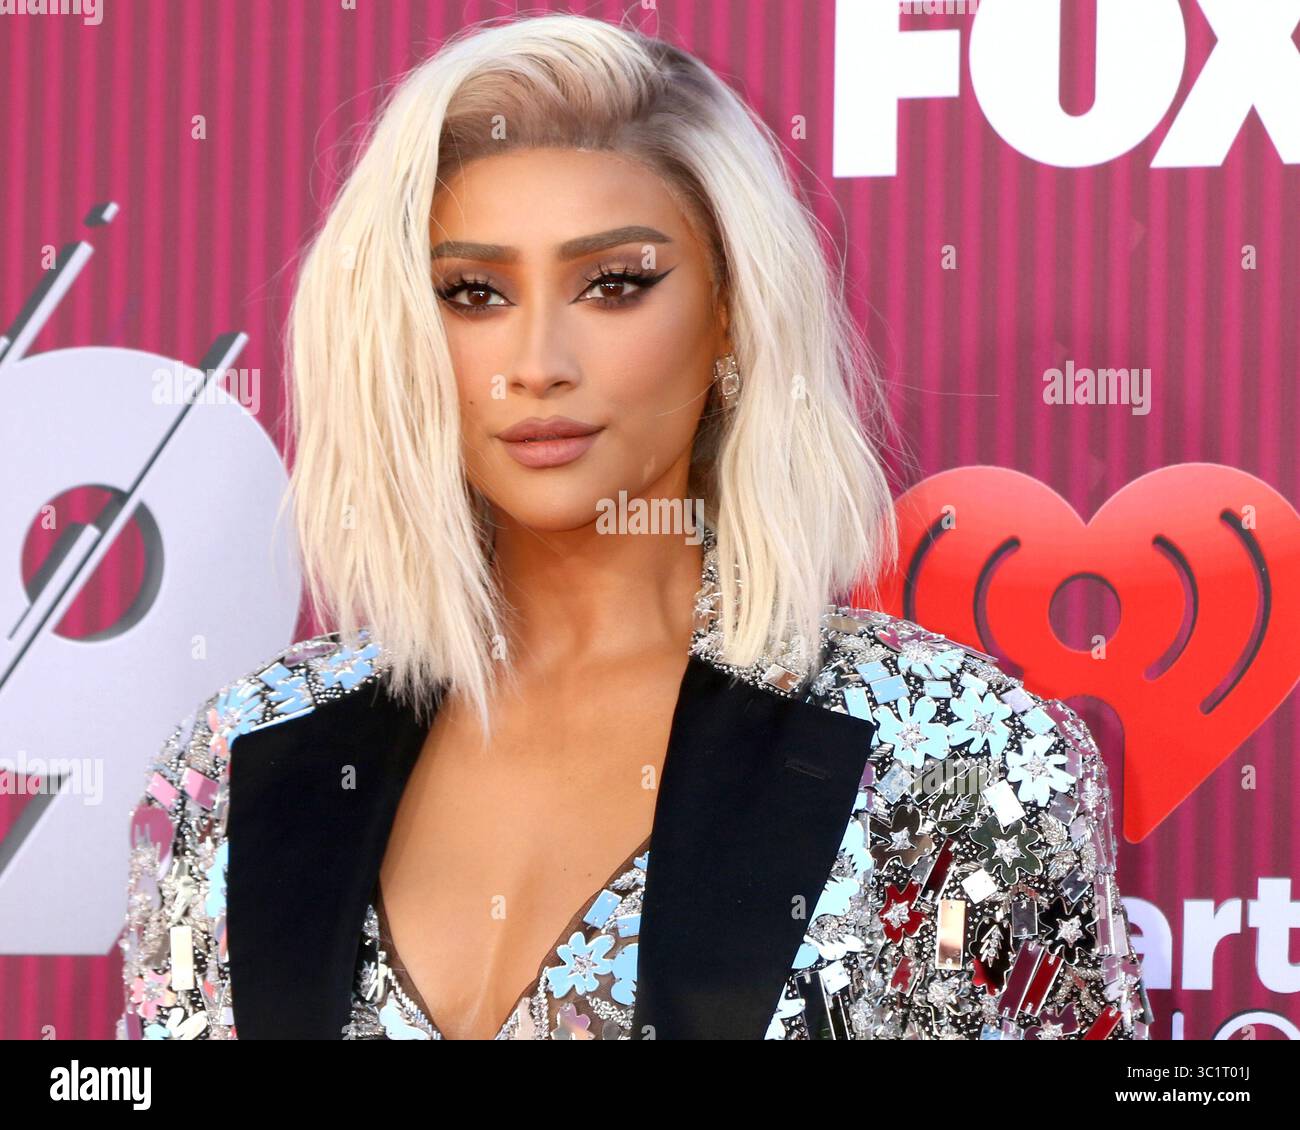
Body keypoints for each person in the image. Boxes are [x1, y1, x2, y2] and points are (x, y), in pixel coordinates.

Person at [117, 13, 1151, 1041]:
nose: (536, 360)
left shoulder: (950, 752)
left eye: (614, 284)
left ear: (731, 314)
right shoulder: (244, 752)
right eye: (471, 292)